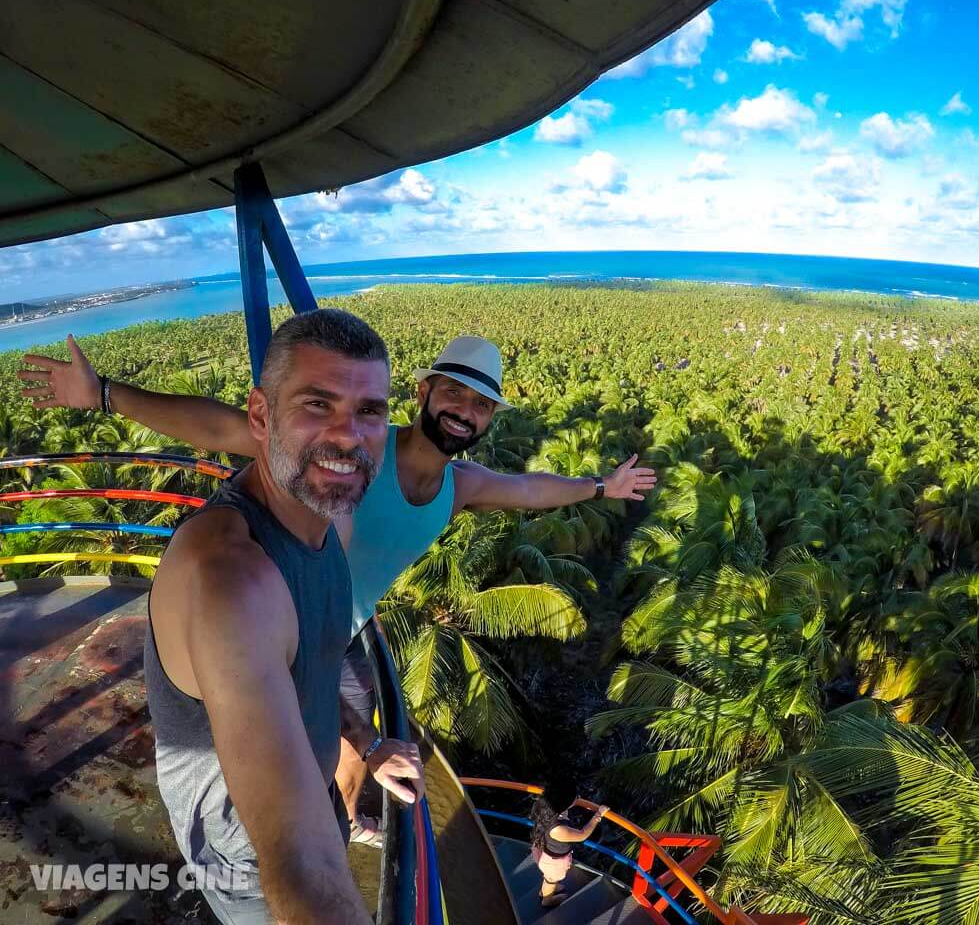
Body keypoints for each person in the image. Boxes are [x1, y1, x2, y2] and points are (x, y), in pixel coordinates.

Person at [20, 332, 655, 846]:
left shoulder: (459, 485)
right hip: (274, 625)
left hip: (341, 628)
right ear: (424, 390)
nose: (464, 410)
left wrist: (601, 487)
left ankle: (354, 818)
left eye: (481, 404)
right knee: (270, 771)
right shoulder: (355, 448)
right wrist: (102, 394)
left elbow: (531, 489)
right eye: (454, 392)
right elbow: (219, 428)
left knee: (355, 737)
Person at [138, 309, 423, 925]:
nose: (349, 436)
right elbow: (299, 863)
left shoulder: (328, 522)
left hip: (315, 798)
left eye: (370, 411)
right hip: (246, 853)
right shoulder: (233, 577)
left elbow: (310, 677)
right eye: (318, 405)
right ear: (261, 417)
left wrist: (366, 741)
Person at [529, 781, 608, 907]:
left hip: (545, 849)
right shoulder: (558, 829)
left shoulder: (547, 807)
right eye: (574, 798)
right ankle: (547, 899)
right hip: (553, 862)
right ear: (564, 803)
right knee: (551, 879)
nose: (577, 799)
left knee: (550, 878)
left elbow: (564, 804)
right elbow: (582, 834)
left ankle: (548, 886)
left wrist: (576, 801)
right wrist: (597, 815)